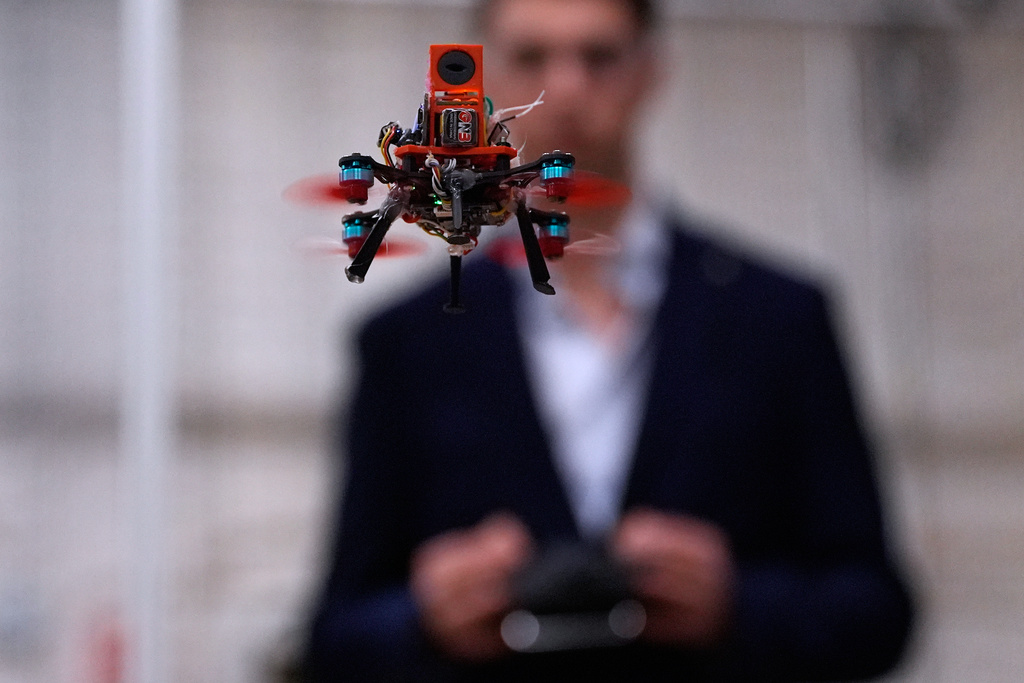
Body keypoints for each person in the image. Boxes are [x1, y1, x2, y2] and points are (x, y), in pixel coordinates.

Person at [301, 0, 914, 680]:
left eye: (598, 56)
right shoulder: (407, 343)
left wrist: (737, 601)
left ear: (651, 68)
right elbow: (334, 633)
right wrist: (425, 615)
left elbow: (876, 608)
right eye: (533, 58)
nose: (566, 88)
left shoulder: (777, 320)